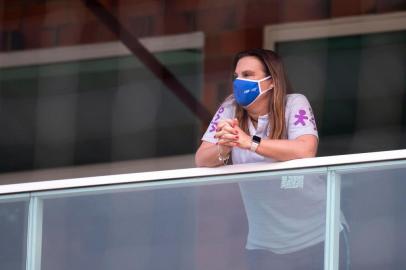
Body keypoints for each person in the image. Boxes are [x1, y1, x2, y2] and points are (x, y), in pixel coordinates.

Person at [195, 48, 348, 270]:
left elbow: (305, 149)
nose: (239, 82)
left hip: (319, 234)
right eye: (236, 77)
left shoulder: (294, 103)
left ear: (272, 81)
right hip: (266, 245)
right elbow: (201, 159)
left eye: (248, 75)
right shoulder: (229, 109)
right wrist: (225, 146)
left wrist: (250, 142)